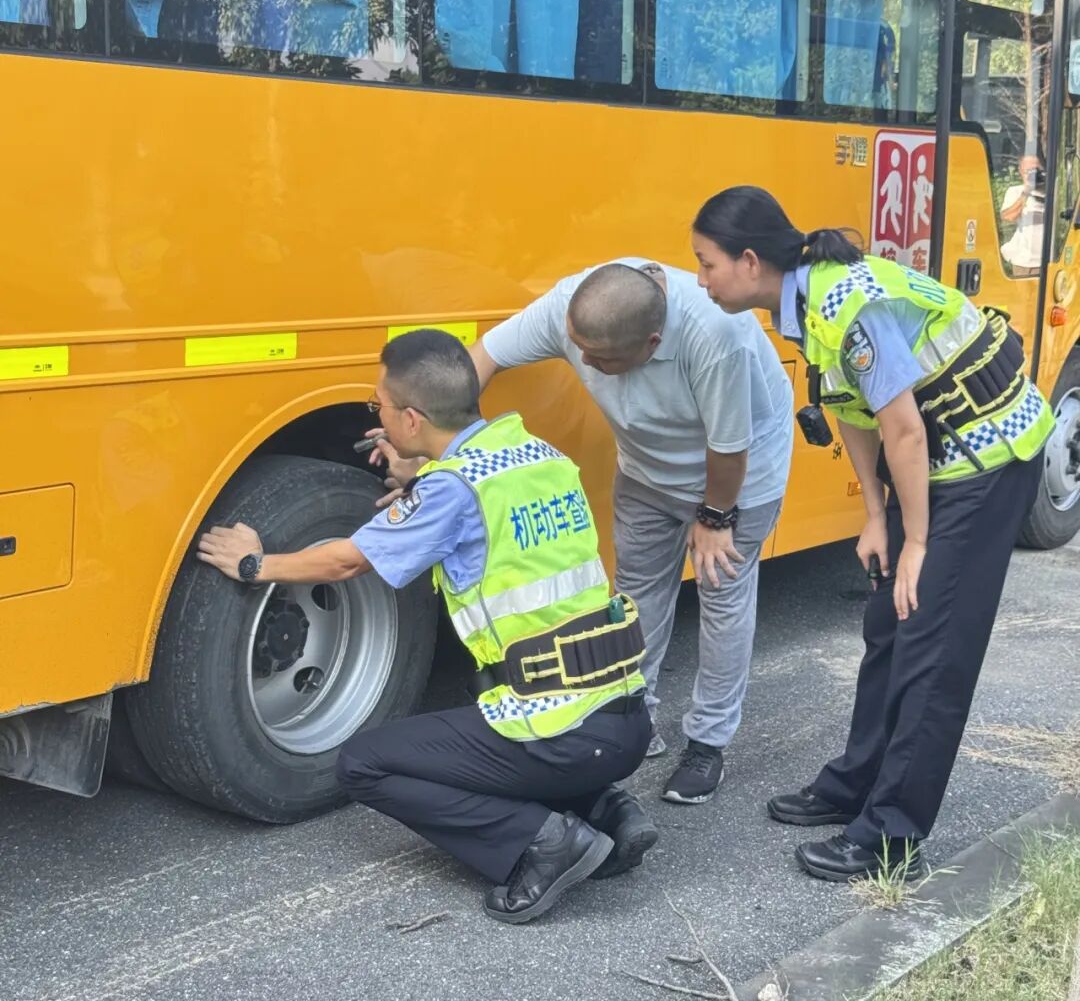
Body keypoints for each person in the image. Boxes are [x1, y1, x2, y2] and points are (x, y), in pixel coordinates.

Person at [196, 329, 657, 924]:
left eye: (380, 408)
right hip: (624, 716)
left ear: (411, 419)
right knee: (485, 689)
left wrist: (255, 563)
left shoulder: (450, 491)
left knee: (366, 764)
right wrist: (422, 483)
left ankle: (542, 842)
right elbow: (492, 523)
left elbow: (346, 560)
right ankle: (609, 811)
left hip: (564, 731)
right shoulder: (538, 455)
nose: (378, 418)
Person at [691, 185, 1054, 881]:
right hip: (940, 459)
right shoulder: (803, 302)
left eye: (706, 264)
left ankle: (891, 835)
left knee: (931, 641)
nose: (701, 279)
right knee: (887, 619)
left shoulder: (843, 304)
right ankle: (856, 783)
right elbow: (849, 406)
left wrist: (914, 541)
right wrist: (874, 516)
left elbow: (904, 428)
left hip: (987, 453)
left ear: (746, 260)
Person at [466, 258, 794, 806]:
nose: (586, 365)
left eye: (602, 360)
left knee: (722, 597)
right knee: (637, 595)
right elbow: (483, 357)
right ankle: (634, 718)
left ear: (653, 341)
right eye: (580, 350)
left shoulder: (716, 334)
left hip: (737, 476)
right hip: (646, 471)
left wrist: (716, 518)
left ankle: (707, 744)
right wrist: (445, 444)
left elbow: (729, 445)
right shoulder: (577, 307)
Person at [999, 155, 1046, 278]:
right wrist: (1027, 191)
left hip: (1047, 260)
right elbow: (1008, 217)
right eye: (1029, 171)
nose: (1033, 174)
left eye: (1036, 170)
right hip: (1023, 261)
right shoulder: (1015, 191)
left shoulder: (1051, 191)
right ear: (1021, 172)